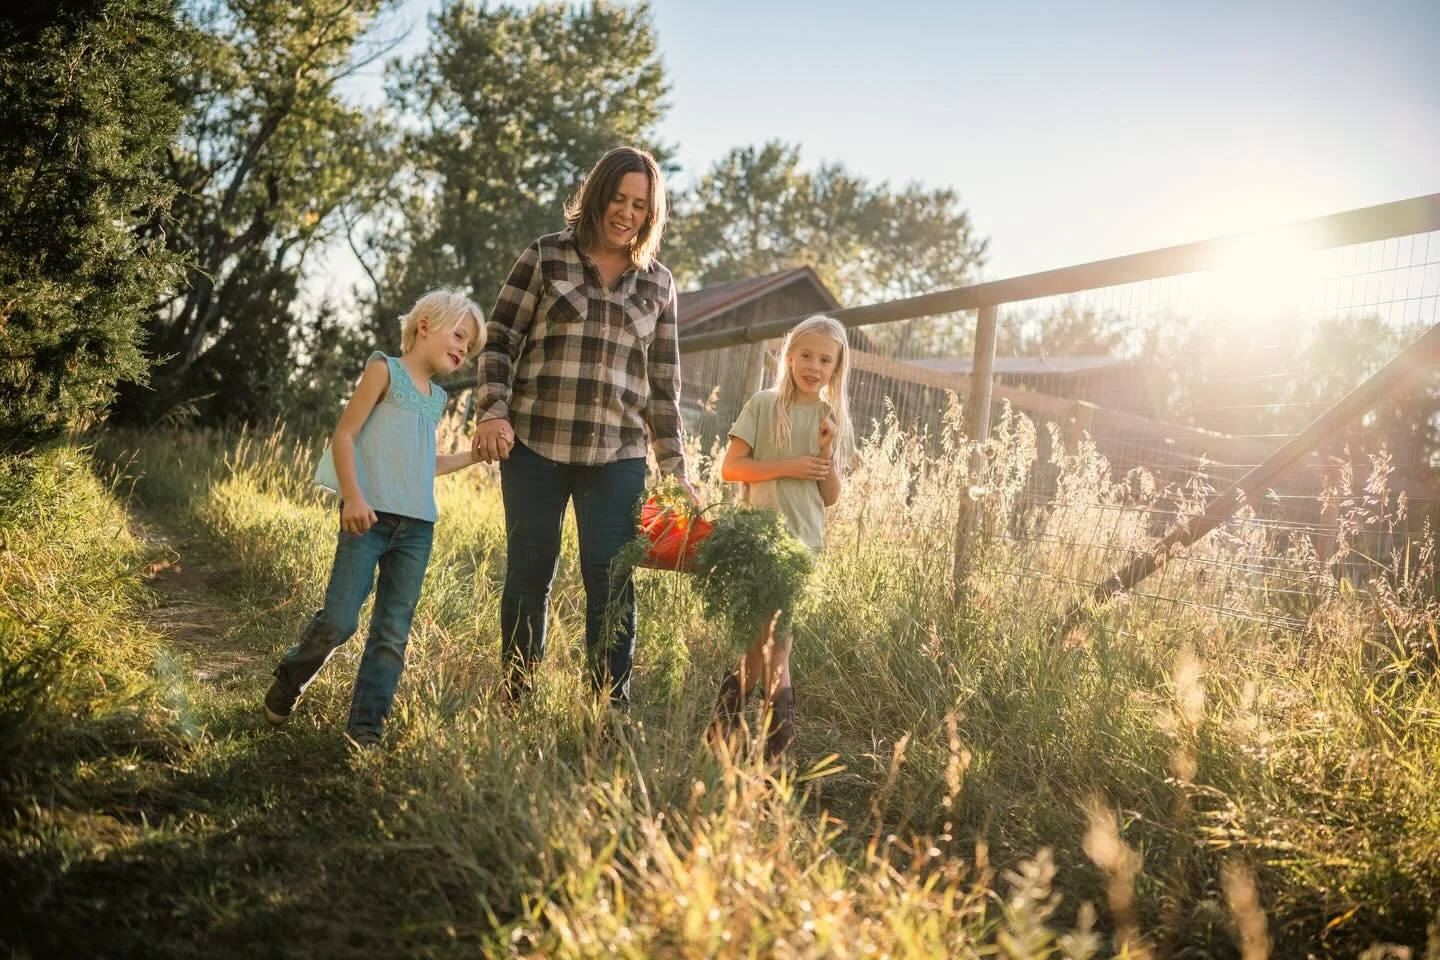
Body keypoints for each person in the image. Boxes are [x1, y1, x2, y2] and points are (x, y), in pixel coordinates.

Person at [471, 146, 696, 705]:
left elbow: (663, 388)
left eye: (640, 205)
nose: (626, 213)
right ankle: (517, 695)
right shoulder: (546, 256)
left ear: (651, 213)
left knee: (613, 580)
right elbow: (499, 337)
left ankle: (607, 706)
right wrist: (492, 409)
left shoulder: (659, 285)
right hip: (535, 447)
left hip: (617, 458)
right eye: (618, 198)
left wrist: (676, 469)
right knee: (530, 573)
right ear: (597, 196)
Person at [263, 289, 485, 748]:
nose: (464, 350)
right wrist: (353, 499)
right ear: (425, 325)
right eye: (460, 336)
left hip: (417, 528)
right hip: (368, 520)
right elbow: (344, 436)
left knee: (391, 633)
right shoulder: (384, 369)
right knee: (340, 621)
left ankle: (365, 729)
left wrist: (471, 456)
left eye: (470, 347)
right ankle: (291, 677)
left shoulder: (438, 397)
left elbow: (423, 463)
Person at [710, 314, 855, 761]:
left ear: (836, 367)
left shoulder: (830, 419)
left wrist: (827, 451)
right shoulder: (763, 405)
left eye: (824, 360)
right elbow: (731, 468)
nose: (814, 366)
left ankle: (769, 751)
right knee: (758, 646)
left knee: (778, 643)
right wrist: (788, 466)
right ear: (790, 357)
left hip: (801, 545)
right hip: (757, 538)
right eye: (806, 355)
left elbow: (829, 496)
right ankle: (736, 739)